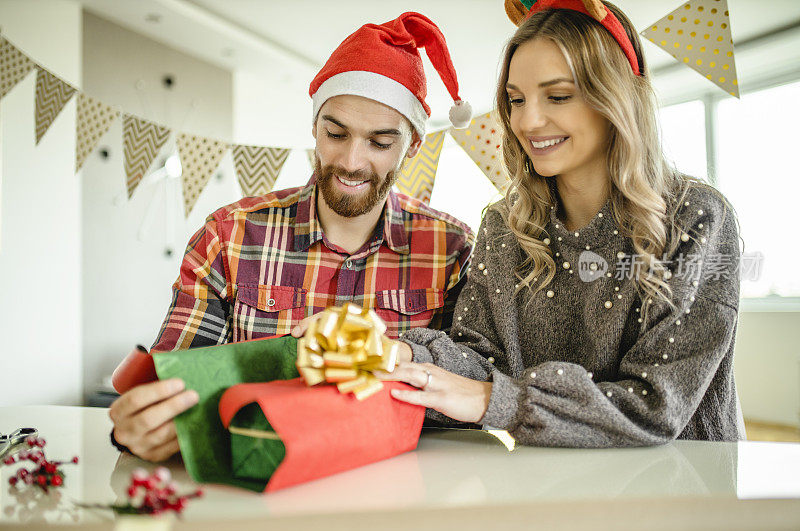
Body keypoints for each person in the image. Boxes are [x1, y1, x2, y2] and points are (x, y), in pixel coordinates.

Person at [109, 12, 475, 461]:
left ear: (413, 145)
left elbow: (472, 392)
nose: (352, 161)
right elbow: (173, 378)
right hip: (256, 480)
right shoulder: (228, 235)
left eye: (380, 142)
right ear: (314, 126)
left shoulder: (453, 249)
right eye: (335, 133)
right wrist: (142, 424)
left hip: (396, 487)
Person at [379, 0, 745, 446]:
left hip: (688, 491)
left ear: (616, 98)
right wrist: (399, 354)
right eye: (516, 100)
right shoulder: (503, 227)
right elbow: (479, 358)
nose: (527, 121)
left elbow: (656, 405)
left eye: (558, 96)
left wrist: (494, 400)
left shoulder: (697, 218)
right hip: (552, 489)